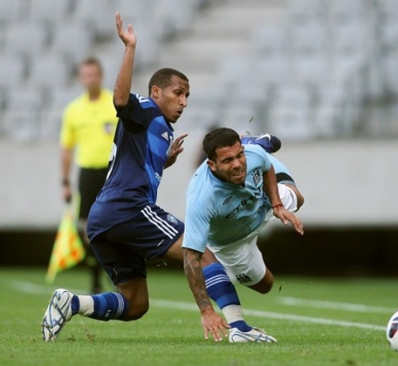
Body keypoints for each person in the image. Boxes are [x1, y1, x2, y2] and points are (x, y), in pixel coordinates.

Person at [41, 12, 191, 342]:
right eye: (178, 93)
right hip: (126, 207)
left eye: (186, 97)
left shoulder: (157, 128)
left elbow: (132, 158)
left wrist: (164, 162)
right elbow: (121, 100)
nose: (182, 102)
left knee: (136, 304)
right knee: (197, 250)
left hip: (106, 215)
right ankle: (235, 323)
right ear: (156, 91)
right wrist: (130, 48)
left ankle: (72, 302)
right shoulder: (146, 109)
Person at [182, 127, 305, 343]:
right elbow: (192, 256)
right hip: (232, 241)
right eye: (228, 160)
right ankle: (238, 327)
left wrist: (276, 204)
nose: (238, 164)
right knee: (265, 285)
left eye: (239, 155)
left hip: (262, 201)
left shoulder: (252, 155)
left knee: (298, 198)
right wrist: (206, 311)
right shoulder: (201, 198)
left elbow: (266, 166)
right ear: (212, 164)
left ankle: (257, 143)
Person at [59, 57, 118, 294]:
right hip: (87, 174)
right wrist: (64, 181)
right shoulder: (73, 110)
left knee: (115, 223)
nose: (89, 79)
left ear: (100, 76)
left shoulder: (113, 104)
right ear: (80, 78)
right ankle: (95, 275)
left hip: (112, 172)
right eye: (85, 75)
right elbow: (66, 148)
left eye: (93, 74)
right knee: (87, 227)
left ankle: (119, 273)